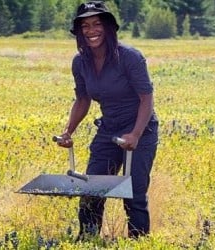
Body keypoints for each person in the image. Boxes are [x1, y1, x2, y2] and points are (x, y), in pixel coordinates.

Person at [56, 1, 159, 239]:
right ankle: (87, 239)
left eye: (97, 24)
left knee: (133, 191)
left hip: (140, 129)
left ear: (109, 27)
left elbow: (146, 98)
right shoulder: (80, 62)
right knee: (92, 188)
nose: (91, 31)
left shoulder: (130, 57)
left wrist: (135, 134)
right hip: (108, 129)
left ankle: (138, 241)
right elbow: (83, 99)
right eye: (85, 26)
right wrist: (68, 131)